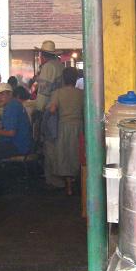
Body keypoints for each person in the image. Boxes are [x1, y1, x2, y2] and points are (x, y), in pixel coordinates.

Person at [0, 84, 33, 195]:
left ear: (9, 94)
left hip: (18, 145)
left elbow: (11, 132)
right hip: (19, 143)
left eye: (1, 94)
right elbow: (4, 126)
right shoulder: (12, 105)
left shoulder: (12, 106)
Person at [44, 67, 84, 195]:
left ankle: (69, 187)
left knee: (65, 156)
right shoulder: (82, 93)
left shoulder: (58, 93)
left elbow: (52, 109)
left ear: (63, 79)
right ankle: (81, 184)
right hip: (79, 127)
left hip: (64, 127)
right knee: (77, 154)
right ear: (76, 79)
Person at [35, 40, 64, 111]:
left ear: (42, 56)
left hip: (50, 108)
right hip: (61, 106)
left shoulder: (48, 67)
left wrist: (39, 108)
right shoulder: (60, 65)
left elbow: (43, 92)